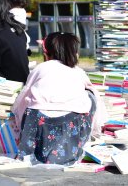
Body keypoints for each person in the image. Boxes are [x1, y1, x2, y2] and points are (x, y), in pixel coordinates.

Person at [12, 32, 107, 166]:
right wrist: (96, 130)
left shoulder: (41, 68)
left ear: (47, 52)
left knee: (29, 97)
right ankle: (75, 147)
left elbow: (23, 99)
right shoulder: (78, 71)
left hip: (38, 124)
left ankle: (33, 150)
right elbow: (94, 102)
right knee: (91, 94)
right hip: (72, 123)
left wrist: (19, 123)